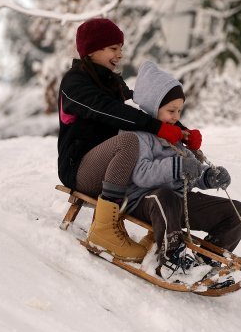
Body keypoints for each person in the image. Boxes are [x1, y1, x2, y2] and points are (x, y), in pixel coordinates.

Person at [57, 18, 201, 261]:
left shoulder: (112, 81)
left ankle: (159, 234)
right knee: (130, 142)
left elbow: (145, 107)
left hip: (116, 168)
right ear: (92, 50)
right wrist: (158, 128)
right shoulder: (74, 83)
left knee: (158, 161)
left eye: (121, 48)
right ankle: (104, 230)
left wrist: (182, 132)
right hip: (80, 169)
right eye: (113, 48)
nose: (120, 55)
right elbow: (108, 110)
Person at [124, 61, 241, 280]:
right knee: (166, 197)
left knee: (236, 211)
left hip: (177, 201)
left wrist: (208, 176)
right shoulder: (137, 135)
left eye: (179, 111)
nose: (176, 116)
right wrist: (176, 167)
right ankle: (171, 261)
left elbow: (191, 169)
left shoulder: (175, 137)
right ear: (153, 106)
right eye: (171, 110)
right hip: (145, 201)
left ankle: (207, 262)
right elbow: (140, 174)